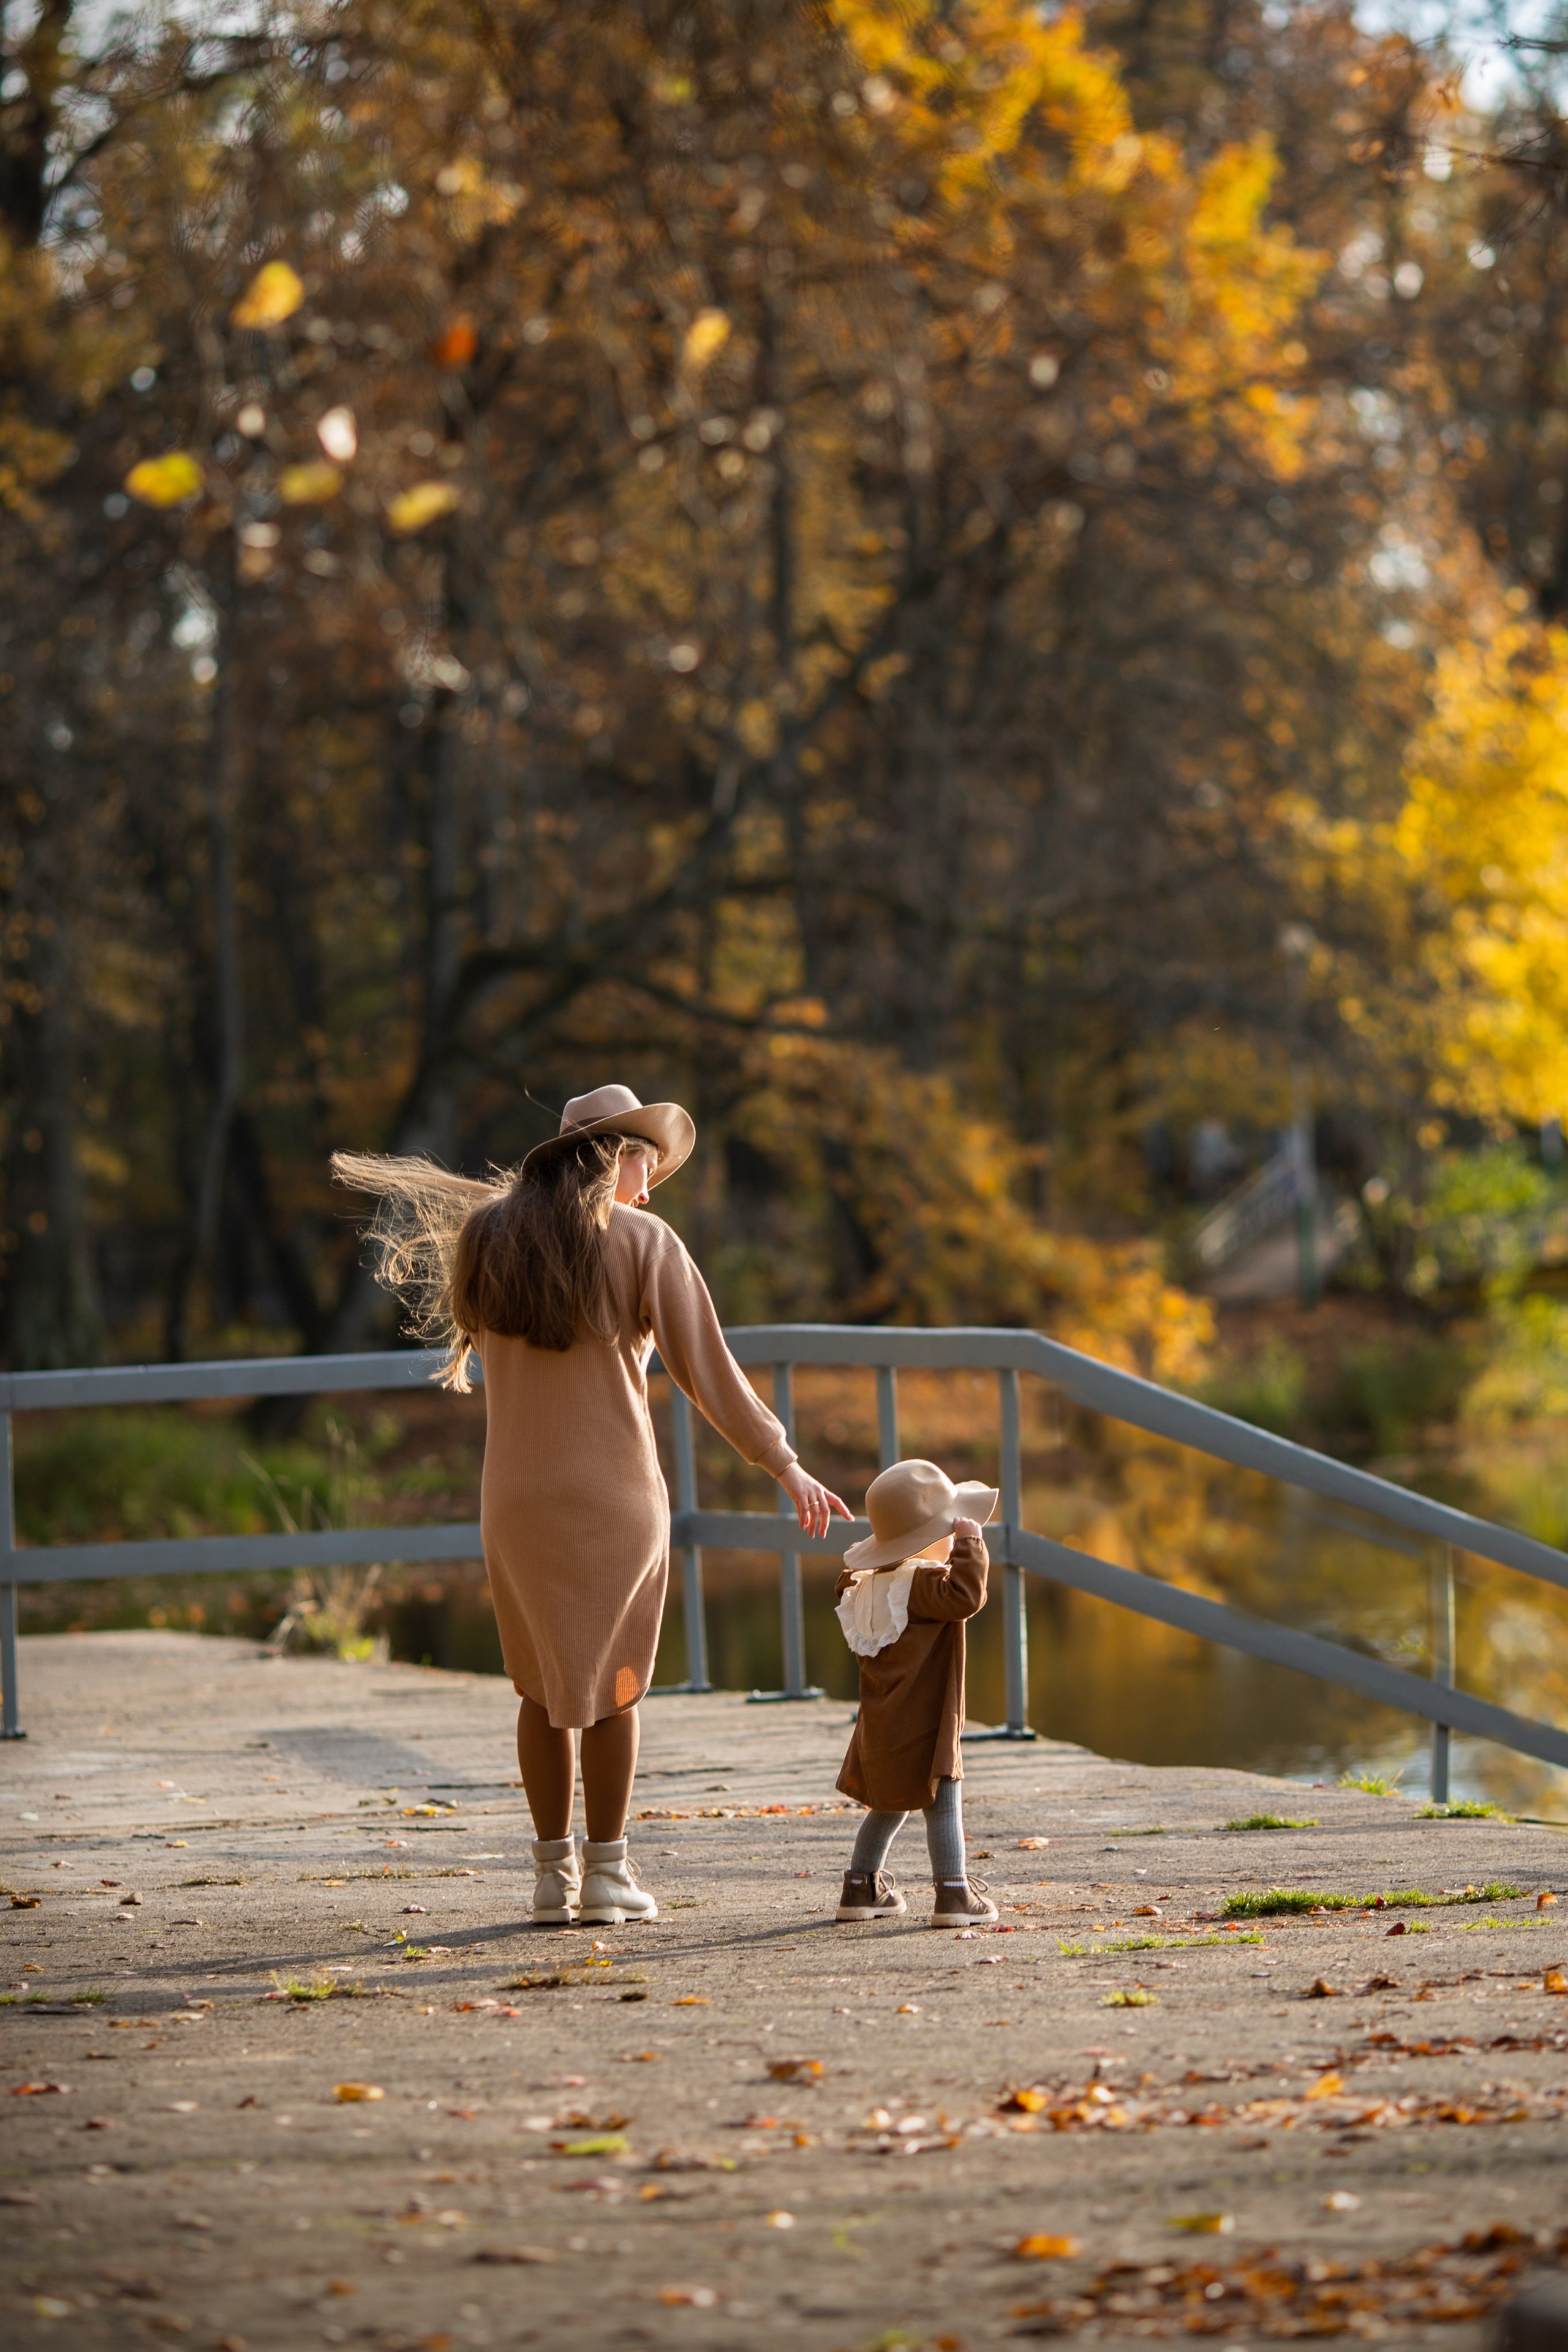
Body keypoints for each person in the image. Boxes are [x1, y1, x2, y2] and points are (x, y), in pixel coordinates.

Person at [334, 1084, 849, 1927]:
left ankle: (551, 1878)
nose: (654, 1177)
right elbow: (707, 1371)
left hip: (516, 1500)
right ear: (623, 1158)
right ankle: (607, 1876)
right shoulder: (644, 1240)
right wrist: (782, 1462)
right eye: (647, 1156)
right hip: (614, 1498)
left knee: (541, 1691)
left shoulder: (487, 1236)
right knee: (614, 1690)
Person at [832, 1457, 1000, 1928]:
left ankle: (861, 1887)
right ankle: (954, 1895)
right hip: (927, 1724)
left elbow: (856, 1575)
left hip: (881, 1728)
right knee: (943, 1804)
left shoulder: (861, 1588)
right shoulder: (924, 1586)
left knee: (887, 1806)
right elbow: (967, 1597)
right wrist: (970, 1545)